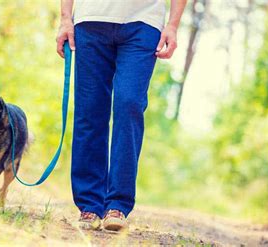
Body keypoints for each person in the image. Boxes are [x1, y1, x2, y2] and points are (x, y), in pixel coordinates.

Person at [56, 0, 186, 231]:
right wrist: (66, 18)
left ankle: (117, 204)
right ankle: (90, 205)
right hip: (91, 20)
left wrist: (173, 25)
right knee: (90, 110)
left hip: (144, 22)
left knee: (129, 103)